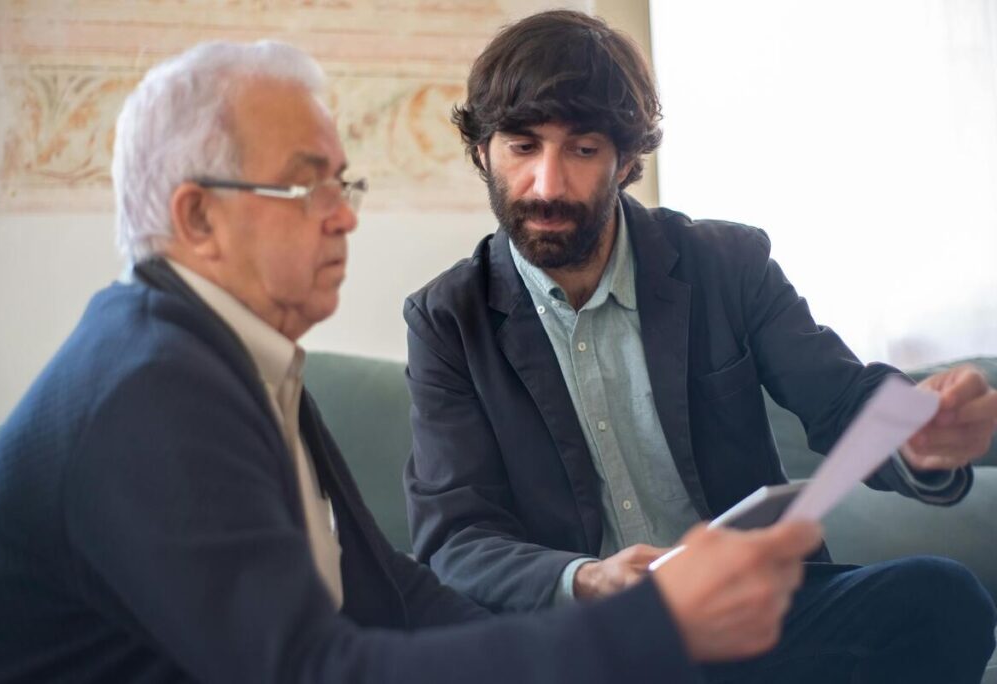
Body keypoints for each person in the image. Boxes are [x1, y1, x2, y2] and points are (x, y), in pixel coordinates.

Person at [0, 40, 828, 683]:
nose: (344, 218)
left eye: (344, 184)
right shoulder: (149, 388)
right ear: (196, 219)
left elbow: (395, 593)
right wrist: (646, 630)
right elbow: (313, 671)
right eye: (308, 185)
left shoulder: (226, 356)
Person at [403, 9, 997, 683]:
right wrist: (588, 578)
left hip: (755, 617)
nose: (547, 184)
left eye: (583, 149)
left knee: (941, 598)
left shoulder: (727, 263)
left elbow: (844, 403)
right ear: (483, 150)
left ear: (626, 159)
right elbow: (458, 536)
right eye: (522, 146)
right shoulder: (446, 319)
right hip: (590, 641)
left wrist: (915, 433)